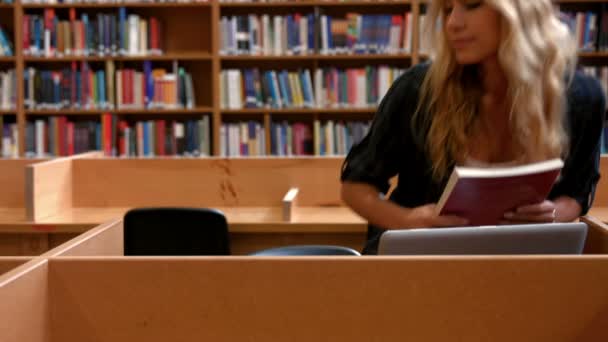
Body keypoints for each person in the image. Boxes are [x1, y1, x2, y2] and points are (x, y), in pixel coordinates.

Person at [340, 0, 606, 254]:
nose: (453, 23)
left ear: (520, 10)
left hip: (518, 264)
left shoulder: (582, 98)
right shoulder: (418, 91)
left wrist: (553, 214)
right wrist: (409, 220)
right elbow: (355, 186)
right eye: (447, 10)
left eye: (473, 4)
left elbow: (577, 193)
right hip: (417, 267)